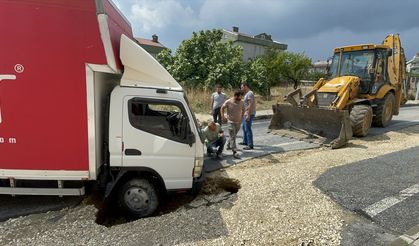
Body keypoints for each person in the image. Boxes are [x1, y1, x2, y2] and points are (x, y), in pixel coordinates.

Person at [221, 89, 244, 159]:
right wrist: (223, 116)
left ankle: (228, 145)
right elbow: (222, 108)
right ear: (235, 96)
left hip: (238, 122)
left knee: (233, 135)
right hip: (231, 122)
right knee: (232, 136)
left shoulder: (241, 102)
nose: (241, 98)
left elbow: (243, 109)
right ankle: (234, 151)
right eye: (240, 96)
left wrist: (242, 117)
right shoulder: (228, 102)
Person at [240, 82, 256, 150]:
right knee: (244, 127)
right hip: (245, 113)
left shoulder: (250, 93)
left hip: (249, 113)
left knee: (248, 128)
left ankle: (250, 145)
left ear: (245, 86)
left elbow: (250, 104)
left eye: (242, 87)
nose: (241, 89)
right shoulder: (247, 94)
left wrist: (248, 115)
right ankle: (245, 141)